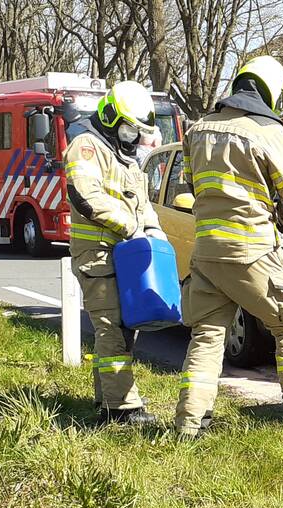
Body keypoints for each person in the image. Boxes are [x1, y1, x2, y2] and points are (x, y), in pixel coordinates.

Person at [173, 55, 283, 436]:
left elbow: (191, 186)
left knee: (208, 333)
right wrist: (275, 215)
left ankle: (190, 422)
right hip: (253, 250)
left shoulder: (197, 129)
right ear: (273, 92)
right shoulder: (267, 131)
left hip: (208, 250)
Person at [65, 80, 163, 427]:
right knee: (112, 330)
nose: (135, 138)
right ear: (111, 117)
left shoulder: (126, 158)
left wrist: (152, 230)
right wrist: (129, 227)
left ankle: (106, 400)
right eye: (130, 129)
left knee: (123, 330)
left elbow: (141, 204)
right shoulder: (87, 147)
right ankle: (123, 409)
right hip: (98, 256)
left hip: (125, 255)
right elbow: (85, 195)